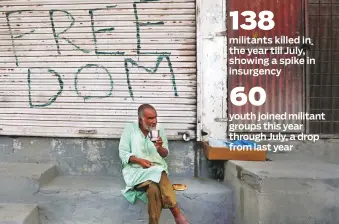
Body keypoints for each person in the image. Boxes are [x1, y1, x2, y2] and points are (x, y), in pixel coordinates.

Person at [119, 104, 189, 224]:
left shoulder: (159, 130)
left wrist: (159, 147)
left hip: (157, 174)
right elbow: (123, 153)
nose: (154, 121)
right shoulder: (130, 129)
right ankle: (177, 214)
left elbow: (165, 154)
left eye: (155, 117)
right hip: (136, 172)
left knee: (153, 190)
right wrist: (139, 160)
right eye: (150, 118)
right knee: (158, 171)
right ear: (140, 119)